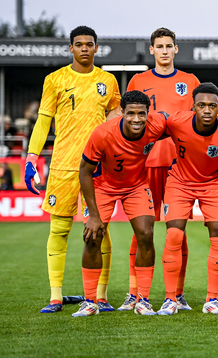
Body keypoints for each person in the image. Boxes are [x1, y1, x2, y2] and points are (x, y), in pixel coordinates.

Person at [25, 26, 121, 313]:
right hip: (64, 165)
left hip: (98, 167)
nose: (84, 48)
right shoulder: (54, 80)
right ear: (71, 48)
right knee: (59, 229)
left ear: (95, 48)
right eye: (78, 44)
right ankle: (56, 296)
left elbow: (116, 120)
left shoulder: (108, 80)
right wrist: (32, 156)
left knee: (100, 230)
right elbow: (43, 121)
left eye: (89, 44)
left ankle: (100, 296)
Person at [120, 27, 200, 312]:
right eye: (160, 46)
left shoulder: (190, 81)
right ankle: (134, 293)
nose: (165, 51)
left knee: (178, 230)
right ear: (152, 50)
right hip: (145, 162)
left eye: (169, 46)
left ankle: (177, 294)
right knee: (141, 229)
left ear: (176, 49)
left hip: (180, 164)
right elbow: (127, 122)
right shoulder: (138, 81)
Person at [73, 90, 166, 316]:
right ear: (122, 113)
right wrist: (94, 215)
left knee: (146, 234)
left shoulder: (157, 125)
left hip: (136, 186)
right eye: (131, 113)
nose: (136, 119)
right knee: (93, 237)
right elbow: (84, 171)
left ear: (148, 114)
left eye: (141, 114)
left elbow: (181, 125)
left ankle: (142, 300)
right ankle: (89, 301)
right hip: (104, 186)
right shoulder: (102, 134)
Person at [157, 83, 218, 316]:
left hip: (213, 185)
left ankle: (211, 300)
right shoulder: (176, 121)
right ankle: (170, 298)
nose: (207, 110)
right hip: (179, 182)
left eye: (213, 106)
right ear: (193, 106)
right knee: (174, 234)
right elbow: (152, 131)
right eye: (202, 105)